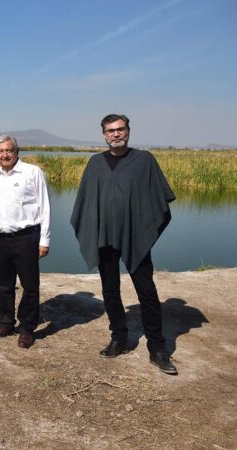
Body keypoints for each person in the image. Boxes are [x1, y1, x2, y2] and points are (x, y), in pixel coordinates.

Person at [71, 114, 178, 375]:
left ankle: (157, 347)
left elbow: (158, 199)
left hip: (135, 237)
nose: (116, 134)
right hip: (104, 237)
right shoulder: (95, 163)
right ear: (104, 134)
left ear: (128, 131)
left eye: (120, 129)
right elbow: (86, 201)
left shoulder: (144, 160)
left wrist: (143, 225)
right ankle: (119, 337)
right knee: (110, 289)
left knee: (147, 291)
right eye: (110, 131)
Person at [0, 135, 51, 349]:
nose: (4, 155)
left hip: (27, 237)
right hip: (0, 238)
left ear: (17, 151)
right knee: (3, 285)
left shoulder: (32, 172)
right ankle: (6, 323)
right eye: (0, 151)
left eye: (8, 150)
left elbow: (45, 207)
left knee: (30, 285)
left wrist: (44, 240)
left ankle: (27, 329)